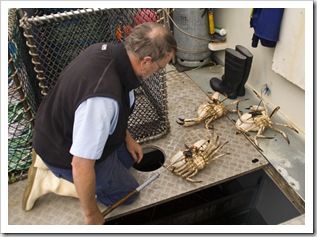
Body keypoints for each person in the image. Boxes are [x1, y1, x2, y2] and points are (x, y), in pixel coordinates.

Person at [22, 22, 177, 225]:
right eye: (160, 66)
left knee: (130, 161)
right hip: (62, 150)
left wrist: (127, 138)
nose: (158, 71)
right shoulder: (102, 100)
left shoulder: (108, 52)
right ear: (146, 61)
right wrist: (92, 214)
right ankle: (52, 179)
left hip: (61, 125)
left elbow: (118, 110)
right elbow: (80, 164)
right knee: (128, 194)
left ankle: (93, 176)